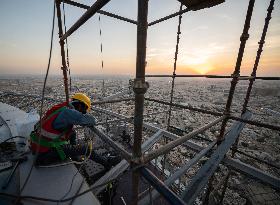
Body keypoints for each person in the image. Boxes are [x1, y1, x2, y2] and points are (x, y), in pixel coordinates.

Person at [30, 93, 120, 169]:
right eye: (84, 111)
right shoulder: (69, 112)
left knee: (72, 132)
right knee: (85, 149)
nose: (83, 113)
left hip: (39, 146)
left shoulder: (62, 107)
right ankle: (108, 163)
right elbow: (91, 120)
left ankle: (74, 155)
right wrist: (82, 116)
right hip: (45, 153)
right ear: (80, 105)